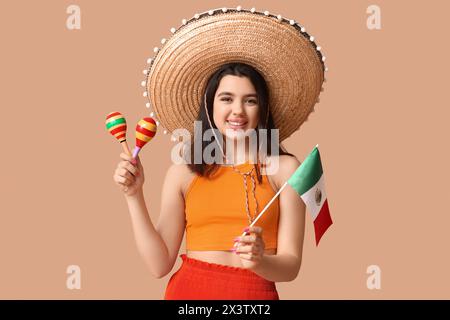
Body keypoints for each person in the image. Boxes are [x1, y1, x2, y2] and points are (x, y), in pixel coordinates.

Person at [113, 7, 326, 299]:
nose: (237, 110)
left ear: (262, 109)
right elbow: (159, 264)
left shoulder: (286, 169)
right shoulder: (183, 173)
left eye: (250, 100)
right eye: (227, 98)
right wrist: (133, 195)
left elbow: (291, 266)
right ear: (210, 106)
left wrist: (261, 261)